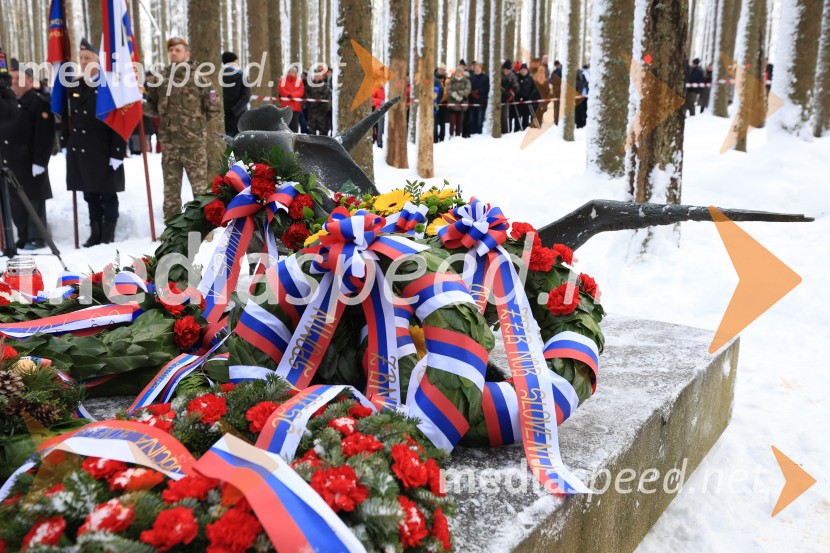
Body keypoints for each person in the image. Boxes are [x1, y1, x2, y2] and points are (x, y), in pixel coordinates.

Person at [145, 37, 221, 221]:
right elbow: (152, 107)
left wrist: (195, 127)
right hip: (170, 145)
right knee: (170, 192)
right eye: (171, 50)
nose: (173, 53)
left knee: (200, 190)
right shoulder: (160, 78)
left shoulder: (199, 78)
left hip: (193, 145)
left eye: (177, 50)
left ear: (186, 54)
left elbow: (214, 108)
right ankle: (171, 230)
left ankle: (205, 228)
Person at [62, 39, 127, 246]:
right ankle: (95, 232)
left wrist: (118, 152)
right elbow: (68, 116)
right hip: (82, 148)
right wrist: (66, 143)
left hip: (103, 149)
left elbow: (119, 121)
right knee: (89, 193)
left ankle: (108, 234)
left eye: (88, 58)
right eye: (81, 58)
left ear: (98, 61)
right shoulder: (77, 85)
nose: (83, 62)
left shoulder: (108, 86)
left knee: (107, 194)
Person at [0, 58, 53, 250]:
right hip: (10, 161)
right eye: (10, 78)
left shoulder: (38, 103)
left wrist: (40, 161)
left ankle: (37, 237)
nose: (12, 82)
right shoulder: (9, 104)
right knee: (15, 203)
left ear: (29, 81)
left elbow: (44, 136)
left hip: (30, 161)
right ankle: (23, 236)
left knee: (33, 200)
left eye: (17, 78)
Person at [220, 51, 250, 137]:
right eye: (237, 60)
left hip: (224, 114)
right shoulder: (242, 75)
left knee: (227, 141)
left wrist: (225, 110)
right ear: (234, 61)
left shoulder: (218, 76)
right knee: (240, 142)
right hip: (239, 115)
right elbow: (246, 96)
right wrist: (235, 111)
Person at [305, 66, 331, 136]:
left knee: (323, 130)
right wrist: (312, 101)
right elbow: (306, 94)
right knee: (311, 130)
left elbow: (326, 95)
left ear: (322, 76)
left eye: (318, 75)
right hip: (312, 111)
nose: (316, 77)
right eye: (315, 75)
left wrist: (318, 100)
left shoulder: (325, 86)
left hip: (322, 111)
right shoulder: (309, 85)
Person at [278, 66, 304, 132]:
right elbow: (281, 90)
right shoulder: (282, 81)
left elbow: (301, 92)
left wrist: (291, 95)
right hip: (285, 106)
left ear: (295, 73)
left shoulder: (299, 81)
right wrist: (288, 95)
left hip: (296, 107)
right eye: (289, 72)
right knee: (286, 124)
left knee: (295, 124)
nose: (290, 73)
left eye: (292, 72)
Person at [446, 67, 471, 137]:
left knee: (459, 123)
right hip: (453, 104)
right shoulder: (451, 80)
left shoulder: (466, 81)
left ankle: (458, 136)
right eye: (457, 72)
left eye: (460, 72)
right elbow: (448, 89)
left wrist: (460, 94)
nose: (458, 73)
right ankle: (451, 135)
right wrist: (454, 95)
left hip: (462, 104)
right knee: (452, 122)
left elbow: (468, 90)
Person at [468, 62, 489, 134]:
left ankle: (479, 133)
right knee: (471, 119)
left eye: (478, 68)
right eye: (475, 68)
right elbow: (468, 87)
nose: (477, 70)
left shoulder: (485, 77)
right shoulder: (471, 77)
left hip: (481, 102)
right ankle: (472, 133)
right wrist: (472, 93)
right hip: (472, 101)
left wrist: (479, 91)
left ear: (481, 69)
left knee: (479, 120)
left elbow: (486, 88)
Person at [515, 64, 538, 130]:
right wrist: (520, 96)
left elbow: (534, 88)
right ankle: (516, 130)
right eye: (522, 70)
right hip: (519, 100)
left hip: (528, 100)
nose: (523, 71)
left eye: (524, 70)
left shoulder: (530, 78)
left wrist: (530, 96)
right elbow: (516, 88)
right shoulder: (517, 78)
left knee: (526, 116)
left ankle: (524, 128)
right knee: (518, 116)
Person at [501, 61, 519, 133]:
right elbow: (499, 86)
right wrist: (506, 92)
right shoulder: (499, 75)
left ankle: (505, 131)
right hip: (501, 96)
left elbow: (516, 85)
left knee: (505, 116)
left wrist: (513, 91)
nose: (506, 71)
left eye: (508, 69)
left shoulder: (512, 76)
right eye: (505, 69)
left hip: (507, 99)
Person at [434, 65, 449, 142]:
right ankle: (435, 138)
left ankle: (442, 137)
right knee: (435, 121)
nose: (442, 71)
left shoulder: (447, 80)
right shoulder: (434, 78)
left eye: (443, 70)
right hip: (434, 103)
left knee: (442, 121)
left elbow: (446, 91)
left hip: (443, 103)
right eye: (441, 69)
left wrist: (442, 98)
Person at [371, 82, 385, 147]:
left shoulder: (384, 88)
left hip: (385, 109)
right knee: (379, 127)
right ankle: (379, 143)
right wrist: (380, 101)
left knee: (380, 128)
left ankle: (379, 141)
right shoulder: (375, 88)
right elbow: (371, 99)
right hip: (378, 109)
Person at [549, 60, 563, 125]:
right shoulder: (555, 72)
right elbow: (551, 81)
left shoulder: (562, 70)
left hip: (560, 90)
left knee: (558, 106)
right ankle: (556, 120)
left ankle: (558, 120)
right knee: (556, 106)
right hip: (556, 91)